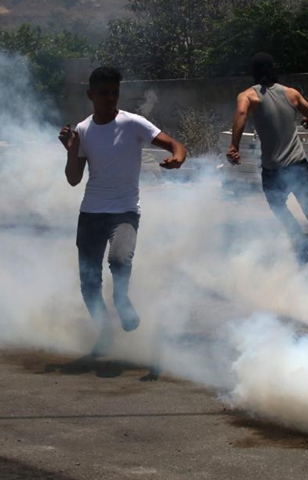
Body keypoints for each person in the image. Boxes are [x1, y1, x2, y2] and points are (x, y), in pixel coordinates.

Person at [59, 66, 188, 356]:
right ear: (90, 94)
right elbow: (73, 178)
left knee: (119, 259)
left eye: (114, 93)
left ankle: (121, 299)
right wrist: (70, 149)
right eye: (104, 93)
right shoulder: (82, 130)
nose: (110, 98)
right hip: (91, 213)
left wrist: (177, 157)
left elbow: (174, 144)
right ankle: (104, 335)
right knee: (89, 282)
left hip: (125, 211)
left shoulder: (133, 124)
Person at [226, 52, 308, 290]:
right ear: (274, 70)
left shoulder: (248, 96)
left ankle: (298, 239)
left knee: (278, 207)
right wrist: (305, 123)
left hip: (273, 170)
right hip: (298, 166)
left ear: (253, 72)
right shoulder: (292, 93)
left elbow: (241, 114)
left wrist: (234, 145)